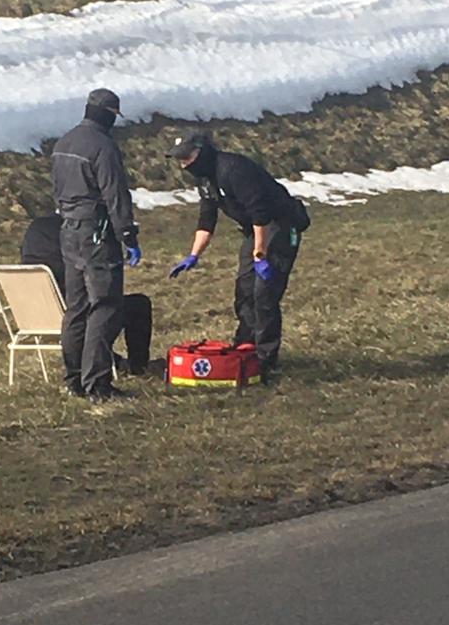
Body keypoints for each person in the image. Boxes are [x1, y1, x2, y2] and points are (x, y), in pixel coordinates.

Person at [167, 130, 309, 386]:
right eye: (180, 159)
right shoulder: (204, 179)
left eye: (187, 156)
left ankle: (265, 359)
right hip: (254, 230)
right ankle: (245, 350)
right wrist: (193, 255)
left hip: (279, 225)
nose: (183, 163)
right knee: (244, 290)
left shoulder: (233, 169)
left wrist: (260, 254)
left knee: (264, 293)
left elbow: (260, 212)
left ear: (202, 150)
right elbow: (207, 218)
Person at [51, 87, 142, 402]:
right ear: (110, 115)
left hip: (68, 231)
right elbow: (116, 195)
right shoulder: (103, 147)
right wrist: (127, 235)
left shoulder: (63, 143)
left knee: (76, 307)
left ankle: (73, 379)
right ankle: (98, 385)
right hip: (96, 234)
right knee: (105, 306)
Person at [20, 211, 153, 376]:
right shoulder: (74, 230)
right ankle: (138, 367)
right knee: (138, 304)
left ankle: (110, 360)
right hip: (73, 313)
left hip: (32, 315)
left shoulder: (35, 228)